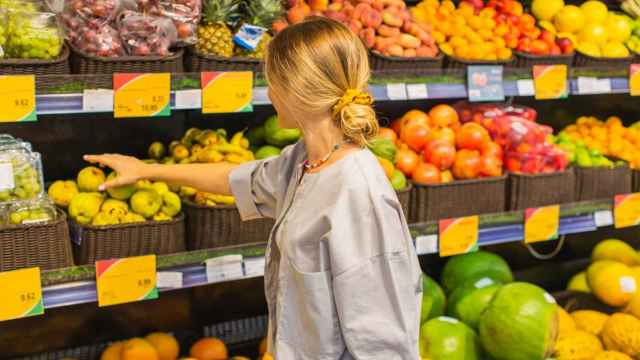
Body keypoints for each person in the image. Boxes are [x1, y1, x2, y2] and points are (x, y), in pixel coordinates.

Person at [86, 16, 423, 359]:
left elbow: (384, 342)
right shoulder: (304, 162)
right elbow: (236, 179)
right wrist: (146, 170)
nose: (268, 92)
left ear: (294, 90)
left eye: (271, 81)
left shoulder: (358, 195)